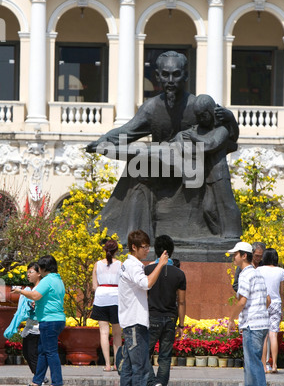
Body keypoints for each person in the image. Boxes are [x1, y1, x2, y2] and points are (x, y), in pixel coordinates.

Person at [86, 51, 239, 245]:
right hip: (162, 166)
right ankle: (134, 238)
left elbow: (227, 137)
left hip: (194, 169)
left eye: (176, 74)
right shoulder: (151, 107)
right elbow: (127, 131)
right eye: (165, 75)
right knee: (137, 166)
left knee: (142, 160)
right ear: (157, 76)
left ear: (185, 76)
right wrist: (103, 141)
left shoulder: (197, 105)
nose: (170, 80)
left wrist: (230, 120)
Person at [174, 94, 242, 238]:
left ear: (211, 112)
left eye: (203, 115)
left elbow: (209, 144)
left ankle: (232, 234)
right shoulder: (201, 129)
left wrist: (193, 137)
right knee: (208, 209)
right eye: (198, 116)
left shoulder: (222, 130)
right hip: (208, 176)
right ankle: (219, 234)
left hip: (219, 175)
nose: (200, 119)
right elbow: (181, 135)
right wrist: (181, 138)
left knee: (227, 204)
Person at [117, 229, 169, 386]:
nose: (147, 250)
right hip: (135, 322)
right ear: (134, 247)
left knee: (127, 366)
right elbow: (147, 283)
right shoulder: (133, 266)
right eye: (144, 247)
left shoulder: (128, 264)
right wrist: (160, 265)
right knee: (140, 367)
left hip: (131, 321)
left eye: (148, 247)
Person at [13, 255, 65, 386]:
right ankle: (36, 381)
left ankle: (57, 383)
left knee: (51, 352)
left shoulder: (47, 280)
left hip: (49, 321)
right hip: (56, 319)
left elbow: (35, 295)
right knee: (42, 351)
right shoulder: (58, 279)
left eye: (39, 268)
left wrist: (21, 291)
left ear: (43, 268)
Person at [144, 234, 186, 386]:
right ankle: (161, 384)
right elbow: (181, 301)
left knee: (144, 354)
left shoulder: (147, 269)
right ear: (171, 251)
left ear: (156, 251)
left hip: (152, 318)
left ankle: (153, 383)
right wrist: (181, 325)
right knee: (165, 356)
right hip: (170, 319)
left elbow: (144, 296)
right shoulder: (179, 274)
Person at [227, 242, 270, 386]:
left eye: (235, 254)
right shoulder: (258, 273)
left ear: (244, 256)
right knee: (254, 363)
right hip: (262, 324)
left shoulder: (245, 274)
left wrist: (231, 319)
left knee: (253, 364)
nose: (234, 257)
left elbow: (242, 301)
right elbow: (267, 300)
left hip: (252, 325)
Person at [4, 262, 42, 376]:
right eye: (27, 272)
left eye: (31, 272)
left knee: (31, 353)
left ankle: (39, 378)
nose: (28, 275)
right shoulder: (33, 288)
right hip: (32, 324)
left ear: (39, 273)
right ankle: (39, 377)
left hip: (38, 326)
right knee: (28, 353)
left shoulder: (40, 288)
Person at [91, 239, 122, 371]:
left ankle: (107, 365)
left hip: (101, 298)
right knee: (117, 334)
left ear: (104, 249)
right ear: (116, 250)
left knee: (104, 333)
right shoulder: (121, 264)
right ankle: (117, 363)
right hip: (116, 298)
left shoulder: (97, 264)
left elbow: (94, 286)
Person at [259, 248, 284, 373]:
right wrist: (282, 309)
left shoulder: (259, 270)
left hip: (263, 303)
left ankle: (264, 366)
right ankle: (274, 365)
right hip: (276, 304)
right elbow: (281, 292)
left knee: (264, 337)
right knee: (273, 334)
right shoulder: (281, 271)